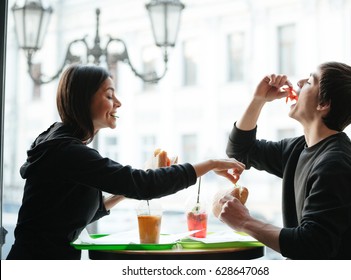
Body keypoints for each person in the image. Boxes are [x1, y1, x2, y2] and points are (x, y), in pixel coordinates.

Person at [7, 64, 245, 260]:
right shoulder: (68, 151)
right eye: (109, 95)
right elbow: (143, 185)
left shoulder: (60, 143)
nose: (118, 103)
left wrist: (127, 188)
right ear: (83, 100)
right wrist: (211, 164)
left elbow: (78, 211)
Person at [217, 62, 351, 259]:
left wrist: (245, 221)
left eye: (309, 81)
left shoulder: (335, 166)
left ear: (323, 104)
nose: (298, 82)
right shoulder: (298, 149)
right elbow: (240, 150)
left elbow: (311, 245)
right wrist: (258, 99)